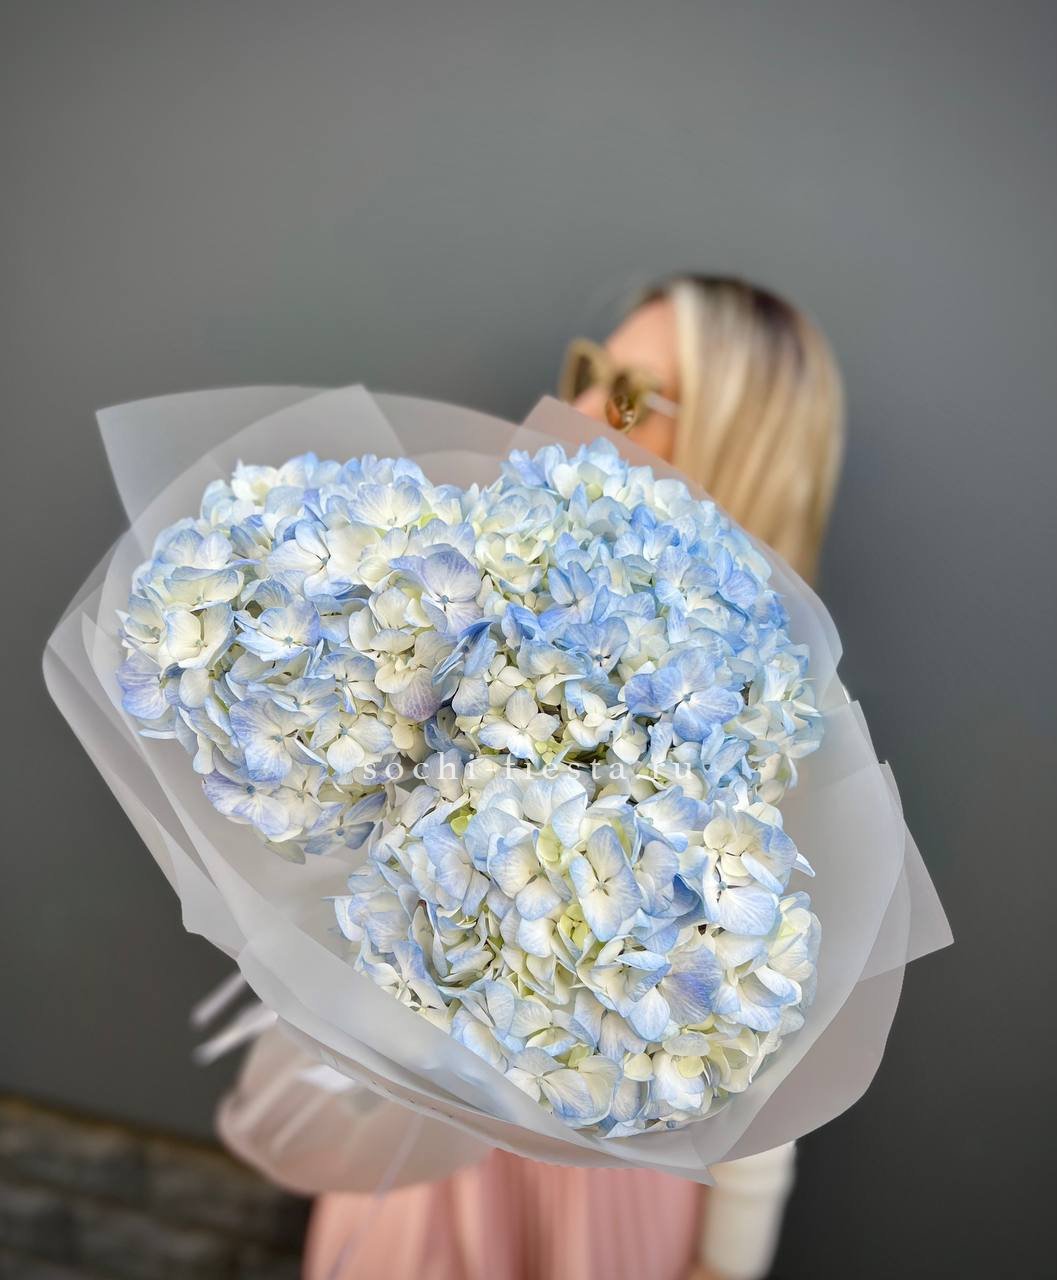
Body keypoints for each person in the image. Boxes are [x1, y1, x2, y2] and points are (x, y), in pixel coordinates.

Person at [292, 272, 845, 1280]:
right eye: (589, 369)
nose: (581, 405)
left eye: (632, 394)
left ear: (736, 441)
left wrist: (725, 1264)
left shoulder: (757, 716)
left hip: (599, 1193)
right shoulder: (475, 612)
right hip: (424, 1165)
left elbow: (767, 1043)